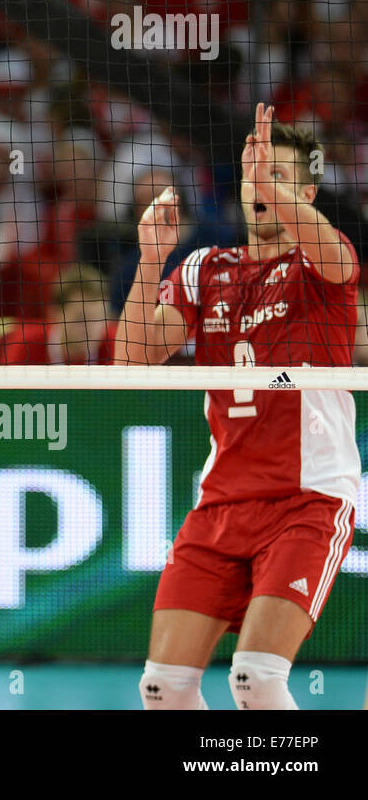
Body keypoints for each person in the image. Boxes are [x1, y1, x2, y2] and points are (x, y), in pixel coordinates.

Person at [114, 106, 359, 710]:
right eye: (254, 175)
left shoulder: (319, 265)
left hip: (309, 498)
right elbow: (132, 359)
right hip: (223, 501)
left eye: (277, 176)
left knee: (254, 679)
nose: (261, 187)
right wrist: (151, 261)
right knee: (162, 689)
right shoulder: (206, 269)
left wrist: (276, 186)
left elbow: (336, 256)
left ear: (305, 192)